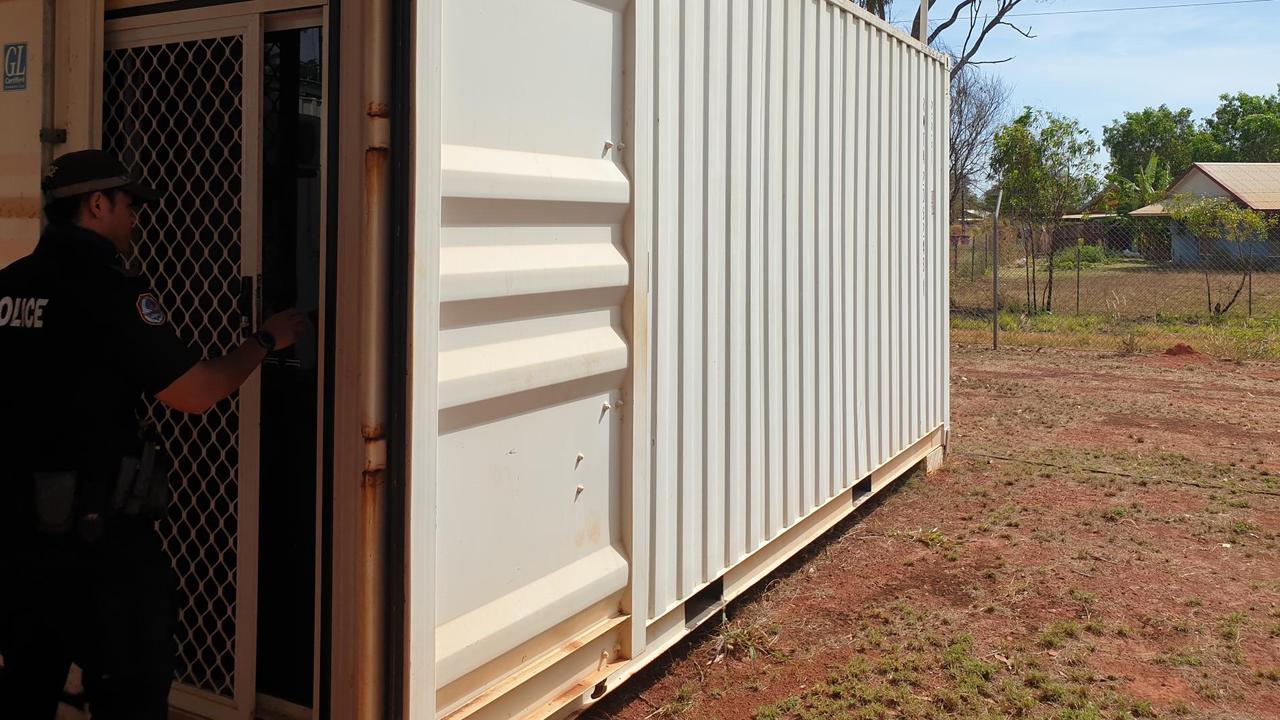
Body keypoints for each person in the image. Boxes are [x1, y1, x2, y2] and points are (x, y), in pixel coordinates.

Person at [0, 149, 307, 718]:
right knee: (132, 691)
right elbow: (195, 393)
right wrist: (263, 342)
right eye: (129, 206)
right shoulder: (112, 291)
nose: (136, 219)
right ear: (97, 204)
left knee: (26, 686)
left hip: (19, 545)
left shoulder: (8, 284)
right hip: (99, 546)